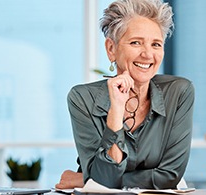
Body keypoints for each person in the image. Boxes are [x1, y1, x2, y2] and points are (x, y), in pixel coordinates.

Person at [56, 0, 194, 190]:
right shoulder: (82, 99)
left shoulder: (179, 92)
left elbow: (170, 175)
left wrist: (85, 180)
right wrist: (116, 112)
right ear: (111, 49)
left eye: (156, 44)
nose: (147, 54)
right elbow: (104, 180)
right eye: (136, 42)